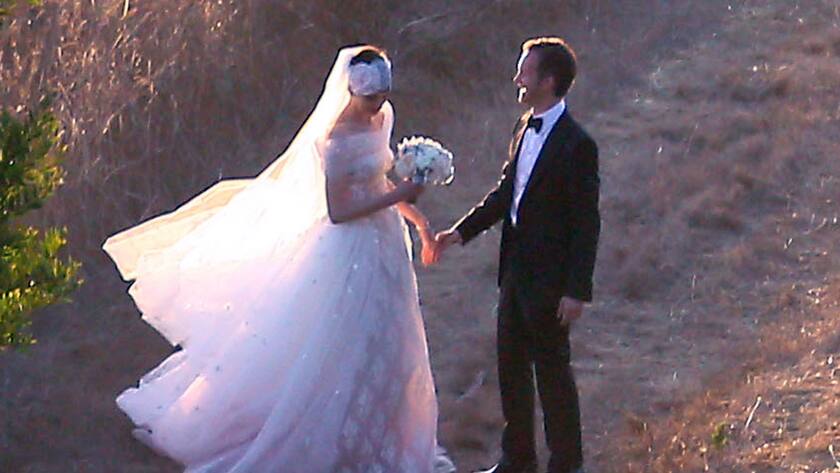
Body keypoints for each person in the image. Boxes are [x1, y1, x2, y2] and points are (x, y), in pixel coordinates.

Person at [103, 45, 454, 473]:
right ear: (352, 92)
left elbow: (377, 181)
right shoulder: (336, 140)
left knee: (391, 340)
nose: (378, 104)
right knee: (341, 346)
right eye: (371, 97)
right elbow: (339, 211)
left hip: (385, 247)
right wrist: (403, 193)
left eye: (383, 95)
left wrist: (417, 220)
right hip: (350, 252)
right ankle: (331, 438)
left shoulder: (382, 118)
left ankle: (382, 434)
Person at [433, 37, 600, 473]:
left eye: (525, 72)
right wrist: (460, 232)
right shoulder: (523, 127)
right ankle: (517, 460)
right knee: (511, 370)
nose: (517, 79)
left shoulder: (577, 145)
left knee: (553, 376)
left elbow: (587, 223)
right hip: (514, 274)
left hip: (552, 282)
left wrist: (576, 290)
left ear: (548, 80)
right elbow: (507, 193)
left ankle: (566, 464)